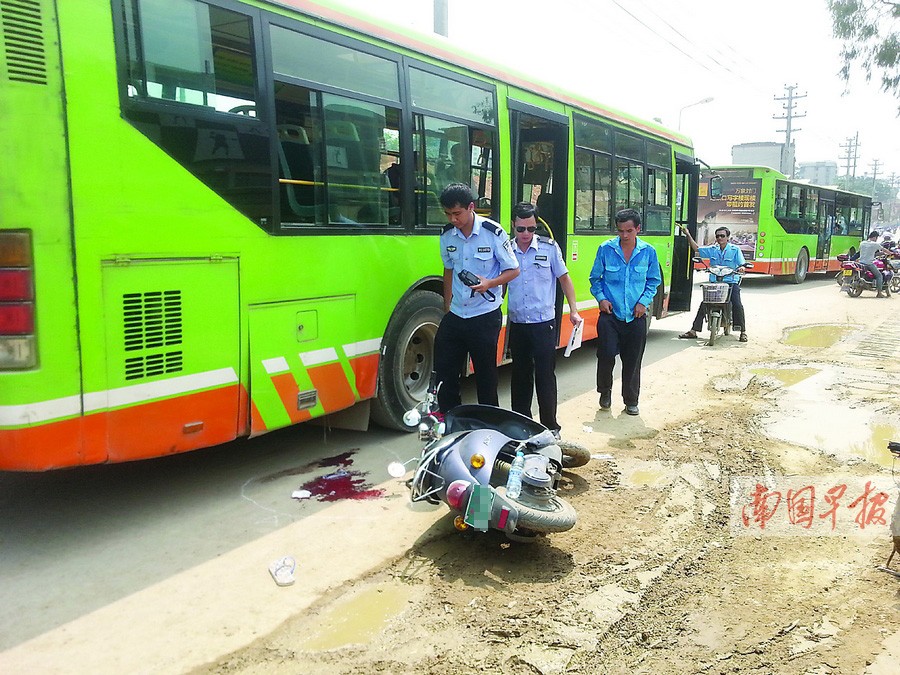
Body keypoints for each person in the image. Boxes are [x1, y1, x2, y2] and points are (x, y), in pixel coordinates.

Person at [434, 183, 520, 413]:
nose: (453, 219)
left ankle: (489, 421)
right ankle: (450, 417)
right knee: (444, 369)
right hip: (456, 314)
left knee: (485, 374)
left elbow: (513, 270)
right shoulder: (447, 235)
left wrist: (489, 283)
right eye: (448, 214)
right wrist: (447, 305)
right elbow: (448, 269)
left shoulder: (493, 232)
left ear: (471, 207)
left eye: (457, 213)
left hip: (484, 314)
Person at [506, 202, 583, 438]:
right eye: (521, 229)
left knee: (545, 376)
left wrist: (574, 310)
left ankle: (551, 426)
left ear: (536, 226)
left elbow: (565, 279)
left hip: (543, 323)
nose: (526, 234)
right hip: (518, 323)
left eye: (531, 228)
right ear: (513, 226)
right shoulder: (507, 250)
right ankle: (521, 423)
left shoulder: (549, 248)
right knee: (519, 375)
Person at [589, 208, 661, 416]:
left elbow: (653, 281)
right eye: (621, 231)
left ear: (638, 229)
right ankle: (604, 391)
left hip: (636, 316)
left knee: (633, 359)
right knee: (606, 355)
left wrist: (644, 302)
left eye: (629, 231)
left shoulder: (648, 252)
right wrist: (601, 298)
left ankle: (631, 400)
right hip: (610, 316)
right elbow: (595, 279)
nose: (624, 236)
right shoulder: (606, 249)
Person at [678, 225, 748, 342]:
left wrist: (741, 268)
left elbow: (742, 264)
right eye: (717, 236)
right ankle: (694, 331)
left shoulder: (735, 250)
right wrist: (688, 235)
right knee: (705, 302)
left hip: (730, 281)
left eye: (722, 236)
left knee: (737, 304)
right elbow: (696, 249)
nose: (720, 238)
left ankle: (743, 331)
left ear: (728, 237)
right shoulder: (712, 249)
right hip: (715, 282)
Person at [858, 230, 893, 298]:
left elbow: (866, 252)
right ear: (874, 237)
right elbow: (884, 250)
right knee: (879, 276)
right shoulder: (875, 244)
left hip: (861, 263)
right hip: (869, 263)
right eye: (876, 238)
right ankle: (879, 293)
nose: (876, 239)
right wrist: (891, 253)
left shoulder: (862, 243)